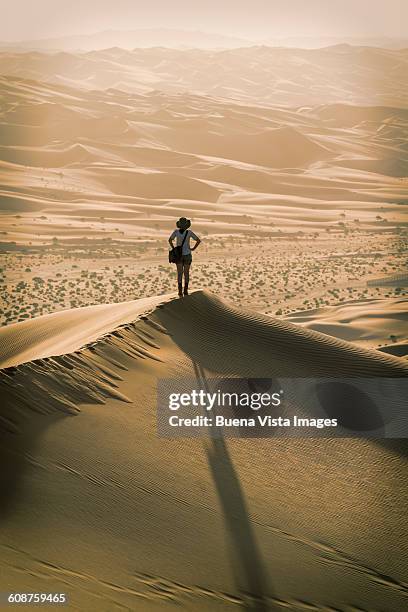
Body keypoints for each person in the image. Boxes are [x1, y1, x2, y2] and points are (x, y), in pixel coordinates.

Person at [169, 217, 201, 297]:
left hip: (178, 255)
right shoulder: (189, 232)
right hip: (187, 254)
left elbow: (170, 240)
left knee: (180, 273)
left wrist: (174, 248)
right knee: (186, 273)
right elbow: (198, 240)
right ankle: (185, 291)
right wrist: (193, 248)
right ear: (187, 225)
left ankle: (180, 292)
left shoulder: (176, 232)